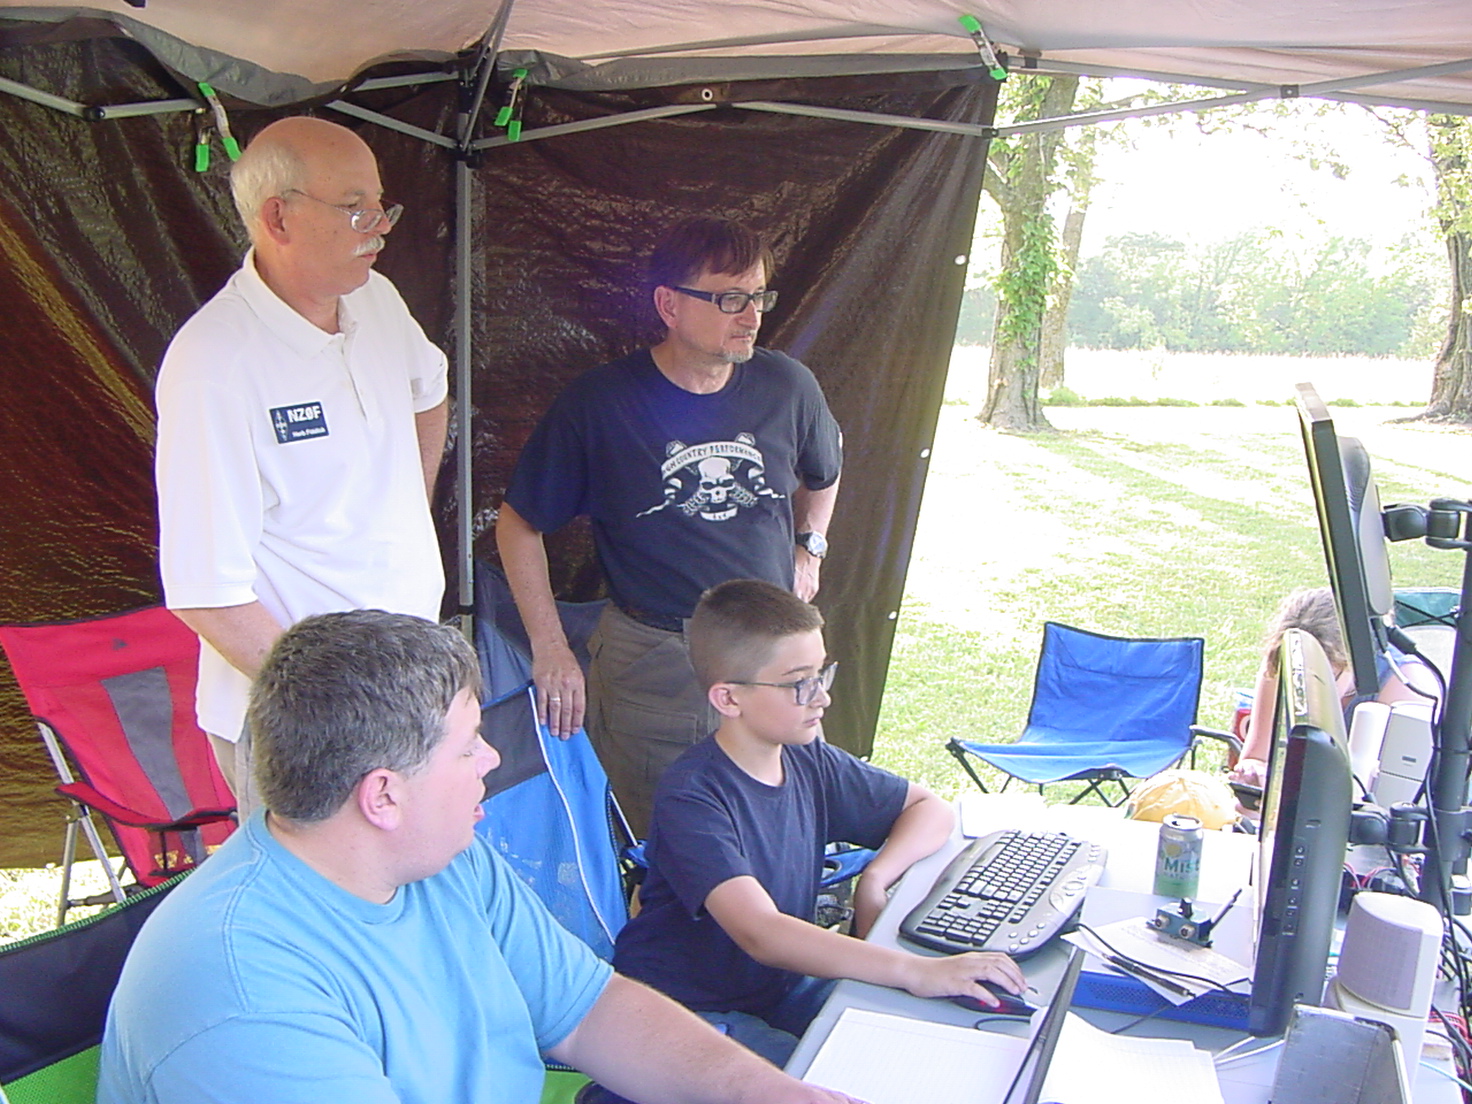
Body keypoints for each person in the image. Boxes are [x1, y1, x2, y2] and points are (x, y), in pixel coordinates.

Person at [96, 610, 859, 1104]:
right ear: (383, 796)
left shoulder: (442, 858)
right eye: (469, 745)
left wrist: (773, 1094)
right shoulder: (241, 988)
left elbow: (593, 1011)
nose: (492, 760)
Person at [498, 217, 842, 836]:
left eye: (758, 296)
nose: (751, 316)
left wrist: (809, 548)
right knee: (660, 841)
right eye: (730, 299)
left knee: (781, 825)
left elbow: (827, 470)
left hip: (775, 654)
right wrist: (551, 648)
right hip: (656, 660)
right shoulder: (600, 403)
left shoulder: (788, 386)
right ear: (669, 305)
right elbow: (519, 525)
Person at [606, 579, 1025, 1073]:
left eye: (822, 673)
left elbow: (929, 809)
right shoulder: (693, 796)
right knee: (838, 1078)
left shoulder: (808, 759)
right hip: (684, 1009)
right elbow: (761, 932)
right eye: (799, 683)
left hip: (779, 985)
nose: (822, 698)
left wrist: (875, 878)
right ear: (729, 699)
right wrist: (916, 970)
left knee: (927, 1035)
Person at [155, 116, 449, 816]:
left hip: (413, 693)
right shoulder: (214, 364)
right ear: (277, 218)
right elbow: (205, 592)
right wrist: (338, 703)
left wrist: (407, 508)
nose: (379, 227)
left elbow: (429, 392)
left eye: (381, 204)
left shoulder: (375, 298)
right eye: (354, 207)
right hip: (310, 732)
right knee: (323, 893)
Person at [1228, 587, 1436, 788]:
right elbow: (1258, 756)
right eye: (1294, 679)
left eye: (1317, 679)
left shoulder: (1405, 686)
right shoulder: (1282, 660)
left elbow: (1396, 792)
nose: (1304, 692)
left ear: (1353, 663)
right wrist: (1254, 774)